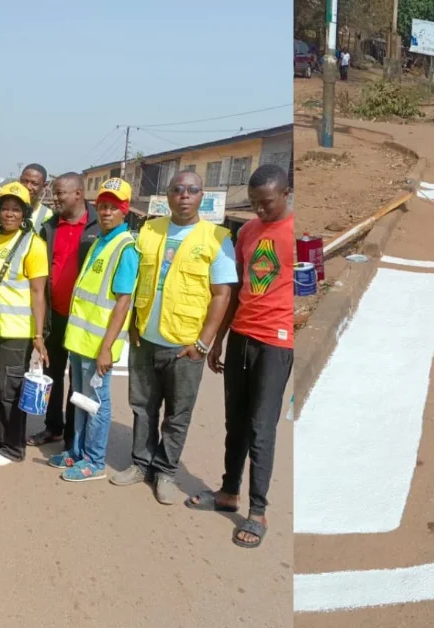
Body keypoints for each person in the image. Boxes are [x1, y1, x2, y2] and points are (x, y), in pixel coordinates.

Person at [109, 171, 237, 505]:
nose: (184, 196)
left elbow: (222, 295)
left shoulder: (216, 238)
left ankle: (165, 471)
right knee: (142, 407)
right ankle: (140, 464)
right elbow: (137, 280)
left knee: (177, 415)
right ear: (167, 195)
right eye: (177, 190)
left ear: (201, 196)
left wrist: (203, 344)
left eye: (192, 190)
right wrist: (135, 323)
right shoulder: (150, 230)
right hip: (145, 340)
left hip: (184, 346)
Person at [185, 165, 294, 549]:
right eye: (255, 204)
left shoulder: (300, 232)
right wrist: (218, 340)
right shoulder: (246, 232)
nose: (261, 211)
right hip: (242, 339)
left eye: (267, 204)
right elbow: (235, 289)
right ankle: (229, 490)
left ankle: (258, 510)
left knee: (261, 429)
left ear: (286, 194)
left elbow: (311, 281)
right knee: (235, 421)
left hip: (276, 344)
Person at [54, 178, 140, 482]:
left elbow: (123, 301)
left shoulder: (125, 247)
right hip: (80, 340)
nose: (106, 212)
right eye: (103, 205)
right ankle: (76, 452)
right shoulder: (100, 241)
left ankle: (95, 460)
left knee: (97, 403)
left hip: (98, 345)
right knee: (80, 397)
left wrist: (106, 348)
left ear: (124, 210)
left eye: (113, 207)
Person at [0, 182, 50, 466]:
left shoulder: (33, 244)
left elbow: (38, 292)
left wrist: (38, 335)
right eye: (5, 208)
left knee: (10, 390)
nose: (9, 214)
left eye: (16, 209)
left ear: (25, 213)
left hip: (16, 331)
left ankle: (13, 448)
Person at [30, 172, 102, 450]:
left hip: (84, 320)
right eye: (55, 192)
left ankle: (74, 435)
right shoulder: (48, 228)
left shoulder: (98, 226)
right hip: (55, 316)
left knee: (80, 379)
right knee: (53, 374)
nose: (56, 198)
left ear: (79, 194)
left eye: (61, 193)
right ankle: (53, 427)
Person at [0, 164, 53, 238]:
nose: (28, 187)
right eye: (25, 181)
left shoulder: (48, 216)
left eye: (34, 183)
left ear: (44, 186)